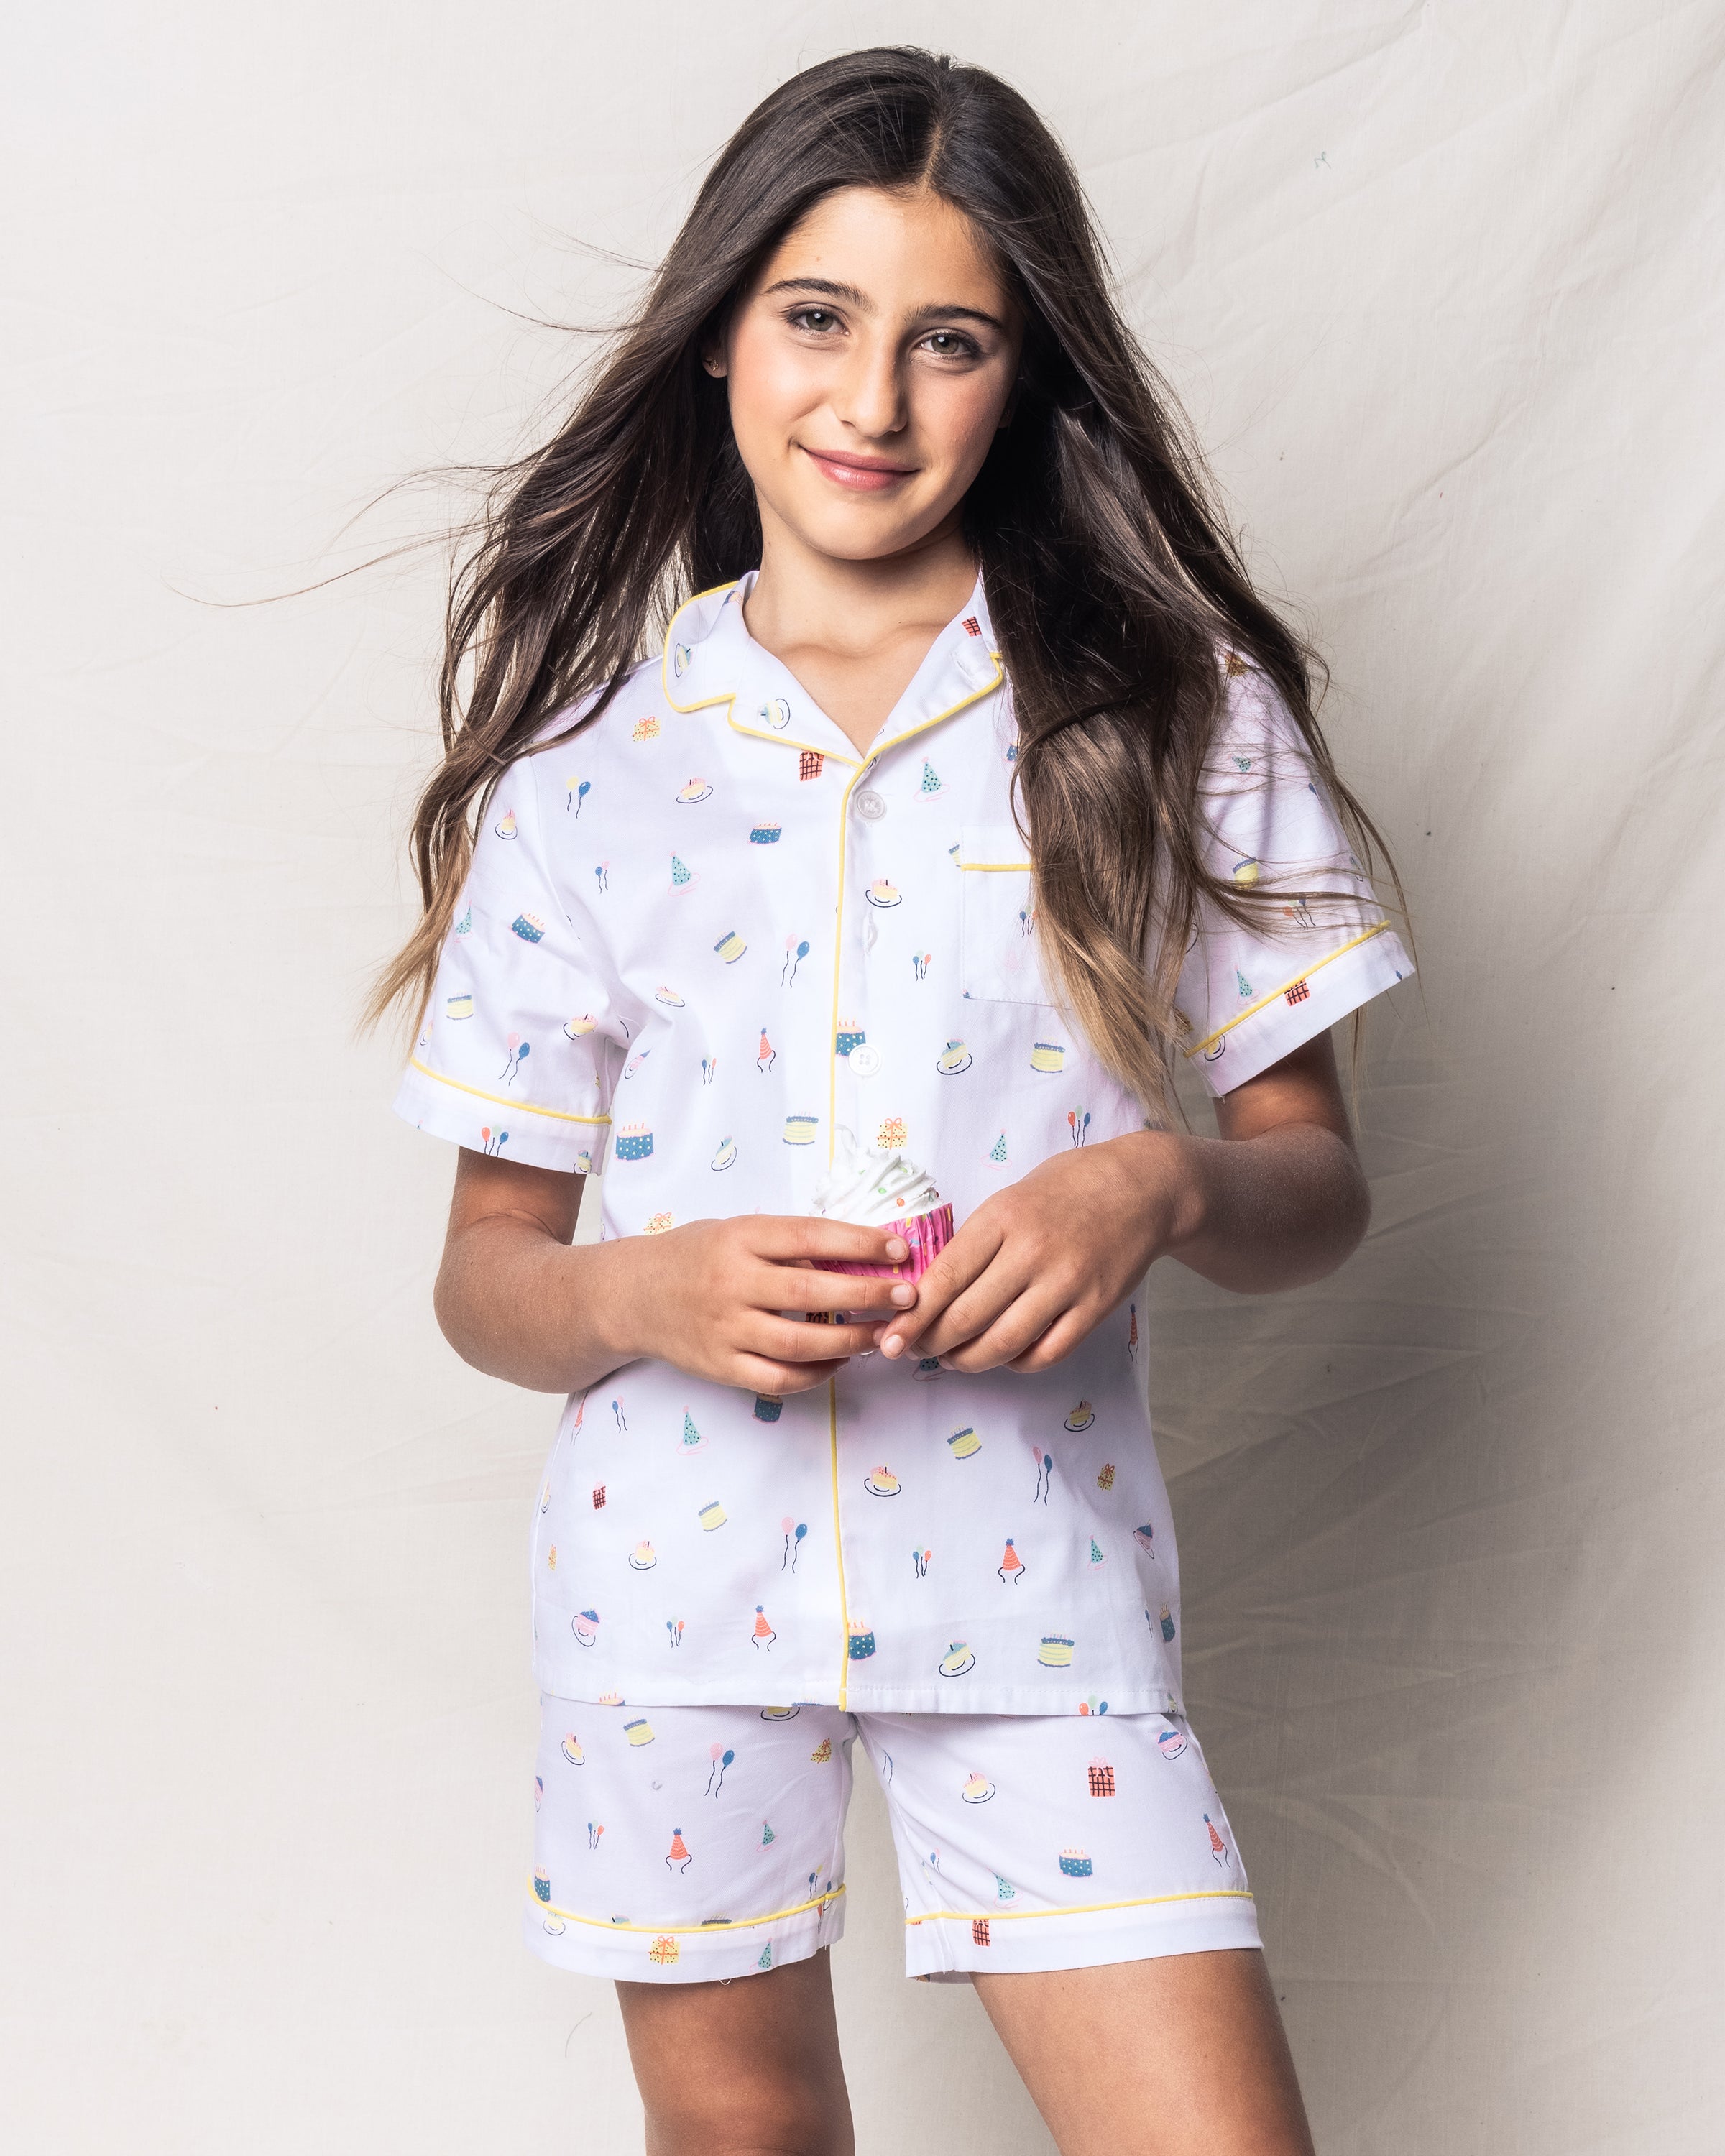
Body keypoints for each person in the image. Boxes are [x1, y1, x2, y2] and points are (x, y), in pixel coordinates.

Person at [372, 46, 1412, 2156]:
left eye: (953, 340)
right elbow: (488, 1279)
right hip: (670, 1583)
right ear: (724, 339)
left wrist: (1158, 1189)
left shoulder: (1168, 714)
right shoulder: (586, 770)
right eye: (817, 320)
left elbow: (1319, 1188)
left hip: (1037, 1585)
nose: (874, 401)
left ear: (1025, 377)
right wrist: (646, 1294)